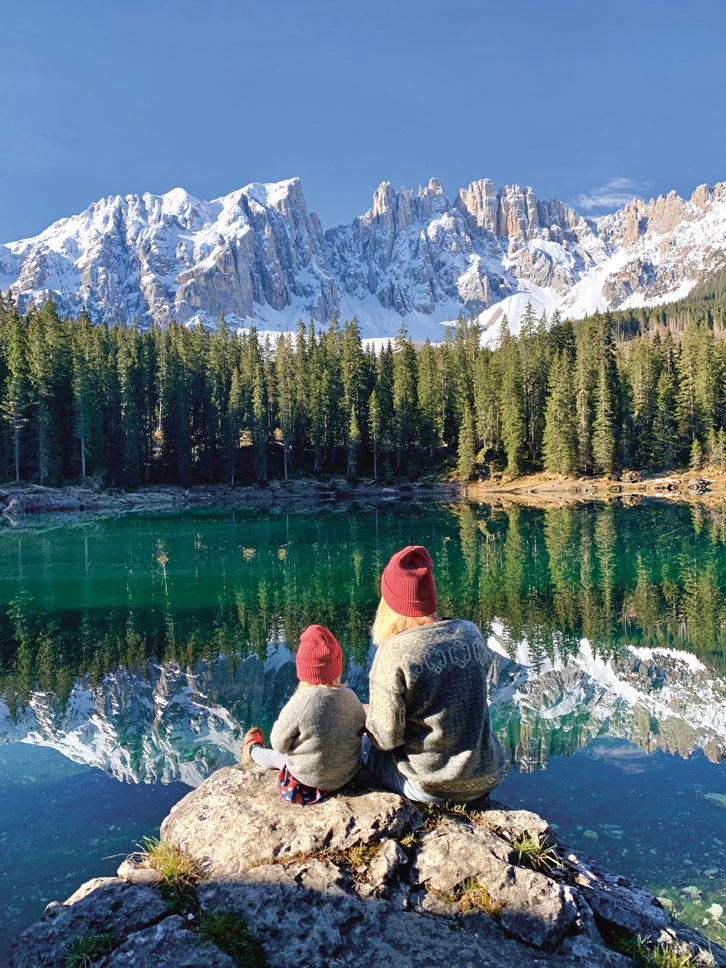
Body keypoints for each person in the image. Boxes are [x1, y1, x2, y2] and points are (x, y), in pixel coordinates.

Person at [362, 545, 507, 804]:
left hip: (430, 786)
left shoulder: (394, 652)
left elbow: (386, 739)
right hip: (486, 775)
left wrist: (366, 720)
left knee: (362, 745)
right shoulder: (470, 633)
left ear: (390, 602)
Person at [241, 624, 366, 805]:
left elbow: (278, 744)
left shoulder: (301, 703)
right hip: (346, 776)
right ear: (337, 667)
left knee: (279, 758)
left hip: (308, 782)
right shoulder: (351, 697)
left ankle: (252, 750)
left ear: (303, 670)